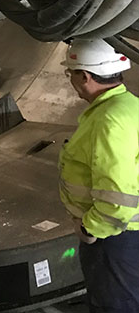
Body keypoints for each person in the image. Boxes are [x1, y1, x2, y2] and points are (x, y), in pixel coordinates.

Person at [59, 39, 139, 312]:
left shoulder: (109, 120)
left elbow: (117, 198)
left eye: (71, 74)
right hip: (128, 236)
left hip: (115, 238)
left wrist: (90, 228)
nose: (71, 80)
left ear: (85, 76)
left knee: (114, 304)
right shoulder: (129, 106)